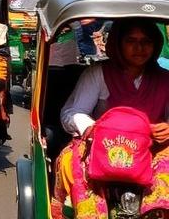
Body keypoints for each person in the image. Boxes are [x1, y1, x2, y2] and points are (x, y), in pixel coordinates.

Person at [55, 19, 169, 216]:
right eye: (131, 41)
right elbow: (71, 112)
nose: (139, 48)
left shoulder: (165, 79)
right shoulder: (98, 73)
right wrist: (93, 128)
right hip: (100, 147)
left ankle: (155, 212)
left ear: (156, 44)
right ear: (118, 42)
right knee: (70, 161)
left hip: (152, 149)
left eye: (146, 41)